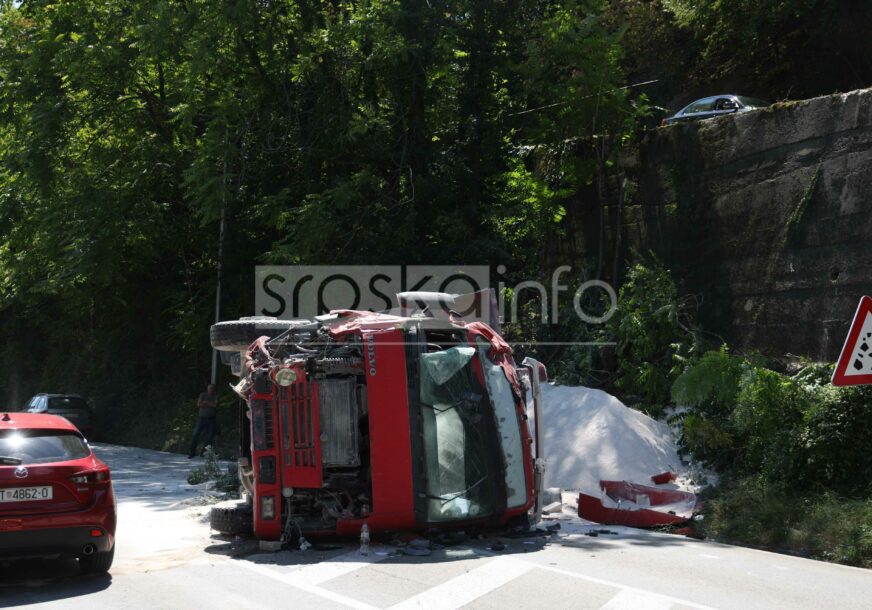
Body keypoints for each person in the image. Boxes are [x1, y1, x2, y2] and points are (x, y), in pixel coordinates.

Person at [189, 384, 218, 458]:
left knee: (209, 436)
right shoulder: (203, 395)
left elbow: (214, 405)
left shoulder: (215, 396)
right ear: (207, 389)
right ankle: (192, 452)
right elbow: (199, 404)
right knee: (195, 434)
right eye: (209, 388)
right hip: (202, 418)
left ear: (214, 389)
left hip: (211, 418)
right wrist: (208, 404)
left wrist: (205, 403)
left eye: (212, 388)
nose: (210, 390)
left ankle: (204, 453)